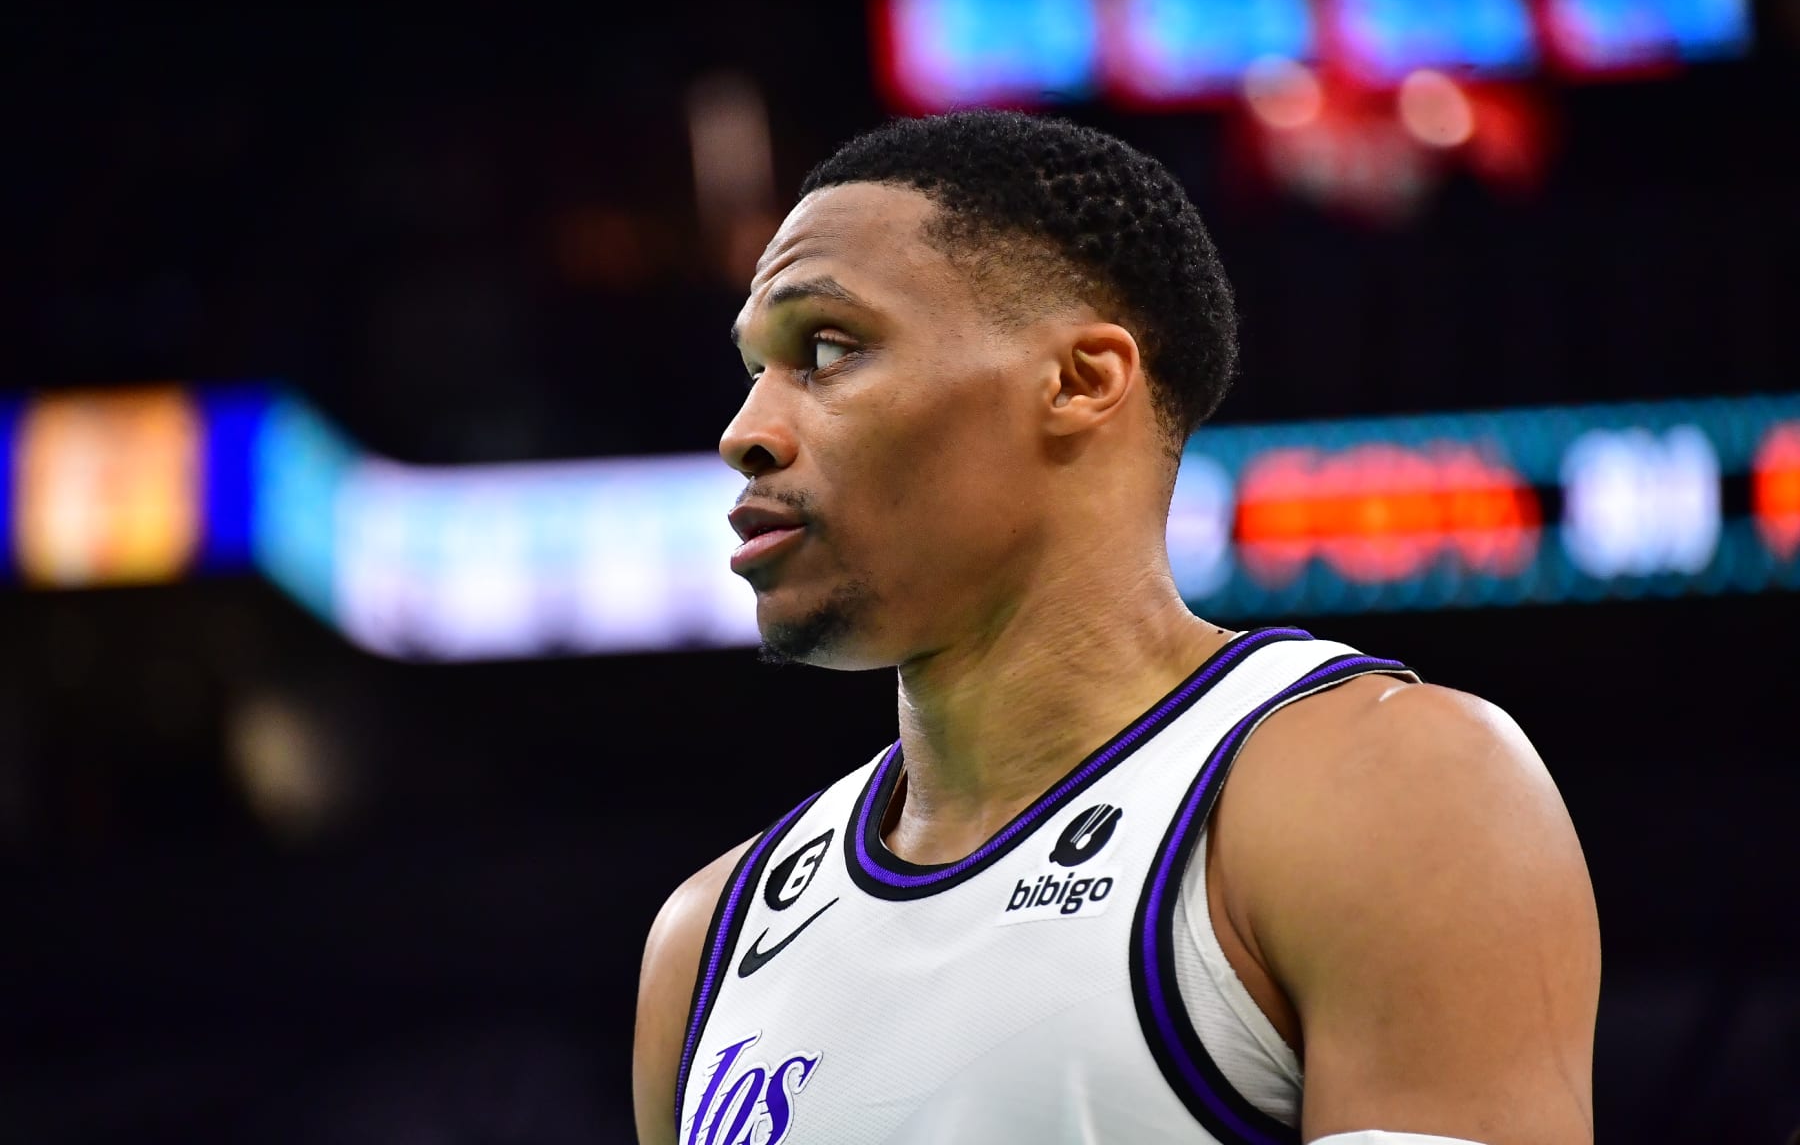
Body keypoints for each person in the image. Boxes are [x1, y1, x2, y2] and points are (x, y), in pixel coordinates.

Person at [632, 110, 1600, 1145]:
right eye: (756, 371)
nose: (745, 434)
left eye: (827, 350)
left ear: (1081, 380)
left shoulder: (1381, 790)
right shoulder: (707, 939)